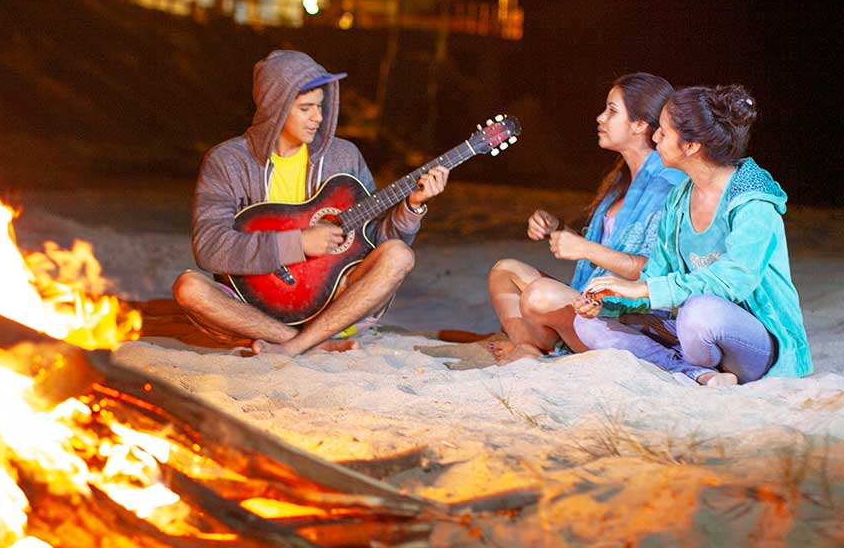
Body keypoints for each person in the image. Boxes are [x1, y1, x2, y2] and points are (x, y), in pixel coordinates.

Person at [172, 49, 448, 356]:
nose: (318, 117)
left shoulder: (344, 157)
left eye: (320, 106)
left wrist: (412, 207)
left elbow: (377, 242)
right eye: (306, 108)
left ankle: (300, 343)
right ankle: (305, 341)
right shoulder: (228, 161)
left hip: (335, 306)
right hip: (252, 309)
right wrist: (298, 243)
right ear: (275, 109)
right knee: (189, 288)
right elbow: (210, 247)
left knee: (399, 255)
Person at [573, 84, 812, 385]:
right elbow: (656, 273)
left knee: (699, 312)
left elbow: (732, 280)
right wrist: (612, 299)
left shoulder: (752, 200)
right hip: (693, 335)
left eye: (663, 130)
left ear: (691, 146)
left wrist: (643, 289)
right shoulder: (678, 200)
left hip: (755, 341)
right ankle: (698, 374)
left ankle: (699, 366)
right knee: (588, 324)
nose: (655, 137)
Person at [486, 73, 685, 362]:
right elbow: (602, 252)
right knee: (504, 271)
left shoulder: (666, 185)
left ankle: (539, 349)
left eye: (612, 111)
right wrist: (556, 228)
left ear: (640, 124)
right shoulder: (621, 182)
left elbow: (652, 272)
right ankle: (528, 347)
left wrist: (584, 248)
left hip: (627, 316)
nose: (600, 118)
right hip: (589, 301)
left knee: (540, 294)